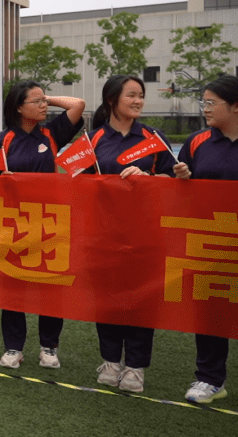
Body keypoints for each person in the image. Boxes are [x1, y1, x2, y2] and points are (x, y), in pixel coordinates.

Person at [0, 80, 85, 370]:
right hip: (12, 226)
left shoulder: (52, 134)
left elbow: (78, 105)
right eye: (35, 102)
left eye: (44, 101)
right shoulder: (1, 140)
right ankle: (13, 348)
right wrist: (2, 180)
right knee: (14, 288)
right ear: (18, 107)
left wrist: (45, 96)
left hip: (49, 225)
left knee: (49, 288)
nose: (43, 107)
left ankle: (49, 348)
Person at [84, 75, 176, 393]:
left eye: (141, 95)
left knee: (140, 300)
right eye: (131, 95)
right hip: (104, 234)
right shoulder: (93, 140)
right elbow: (76, 185)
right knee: (107, 299)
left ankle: (135, 367)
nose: (138, 101)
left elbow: (173, 180)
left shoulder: (153, 138)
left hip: (144, 235)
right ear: (112, 100)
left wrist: (149, 178)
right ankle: (110, 361)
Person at [175, 75, 238, 404]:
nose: (206, 109)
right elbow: (184, 196)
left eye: (212, 103)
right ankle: (210, 379)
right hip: (212, 244)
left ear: (235, 106)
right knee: (211, 312)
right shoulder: (198, 142)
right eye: (204, 102)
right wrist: (185, 179)